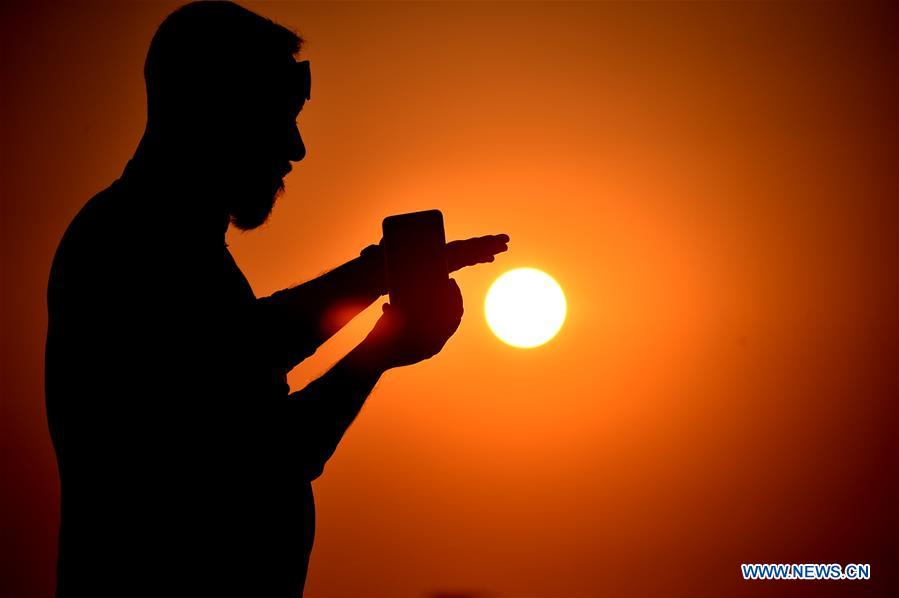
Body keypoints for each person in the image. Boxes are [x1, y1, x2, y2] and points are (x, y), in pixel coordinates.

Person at [44, 2, 509, 596]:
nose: (295, 149)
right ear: (213, 111)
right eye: (275, 120)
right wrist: (382, 344)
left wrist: (377, 276)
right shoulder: (126, 248)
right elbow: (259, 462)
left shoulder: (149, 243)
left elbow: (241, 351)